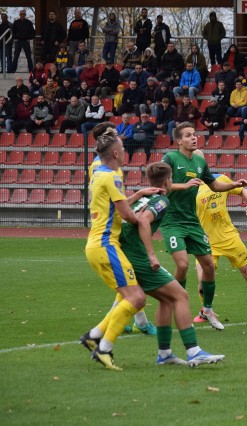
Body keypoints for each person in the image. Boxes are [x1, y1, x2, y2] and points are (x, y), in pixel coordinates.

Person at [117, 161, 225, 366]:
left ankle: (165, 354)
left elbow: (127, 214)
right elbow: (142, 221)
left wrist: (138, 195)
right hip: (136, 257)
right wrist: (151, 254)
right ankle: (194, 351)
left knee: (166, 299)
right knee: (180, 296)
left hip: (123, 253)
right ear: (168, 181)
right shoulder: (161, 200)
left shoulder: (145, 196)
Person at [79, 124, 164, 371]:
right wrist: (151, 216)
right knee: (136, 297)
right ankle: (103, 349)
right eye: (122, 147)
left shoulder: (98, 171)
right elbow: (127, 215)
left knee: (128, 293)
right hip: (106, 245)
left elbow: (117, 206)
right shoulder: (113, 176)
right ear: (115, 153)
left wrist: (137, 195)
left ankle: (94, 335)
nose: (125, 150)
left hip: (98, 244)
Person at [160, 122, 247, 330]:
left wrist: (234, 185)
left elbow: (215, 185)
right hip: (172, 220)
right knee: (182, 265)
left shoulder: (199, 162)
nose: (194, 138)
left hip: (192, 221)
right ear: (179, 140)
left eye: (195, 134)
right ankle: (177, 301)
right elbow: (162, 185)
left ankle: (207, 309)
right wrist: (185, 185)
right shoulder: (170, 158)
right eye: (189, 135)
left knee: (208, 265)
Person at [193, 152, 247, 325]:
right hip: (205, 240)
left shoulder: (220, 179)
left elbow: (243, 191)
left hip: (229, 237)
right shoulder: (190, 187)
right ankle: (206, 311)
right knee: (202, 282)